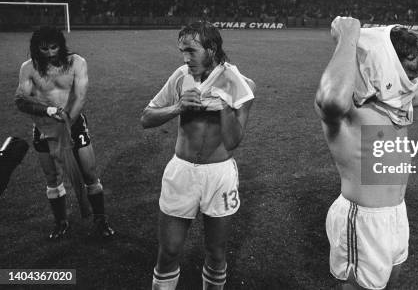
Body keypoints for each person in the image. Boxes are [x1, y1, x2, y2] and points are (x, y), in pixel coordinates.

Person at [315, 17, 418, 290]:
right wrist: (349, 38)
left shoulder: (397, 101)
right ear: (385, 67)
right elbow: (331, 99)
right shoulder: (350, 108)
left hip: (396, 214)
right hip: (363, 219)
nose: (413, 82)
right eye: (408, 74)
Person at [141, 21, 255, 290]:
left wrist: (225, 106)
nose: (185, 58)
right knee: (168, 251)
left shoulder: (240, 84)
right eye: (182, 51)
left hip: (218, 175)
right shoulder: (181, 76)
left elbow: (233, 141)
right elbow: (146, 117)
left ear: (212, 48)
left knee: (216, 253)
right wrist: (178, 108)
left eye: (191, 51)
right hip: (181, 172)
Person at [14, 26, 115, 240]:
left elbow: (80, 97)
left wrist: (67, 123)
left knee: (90, 174)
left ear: (61, 45)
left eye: (54, 47)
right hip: (45, 129)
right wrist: (49, 111)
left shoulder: (77, 62)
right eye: (44, 49)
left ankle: (100, 220)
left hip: (74, 124)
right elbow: (21, 100)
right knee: (53, 177)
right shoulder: (28, 68)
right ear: (35, 48)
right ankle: (60, 222)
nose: (50, 53)